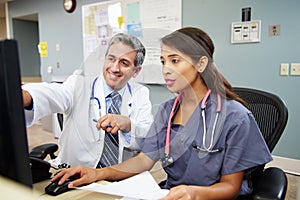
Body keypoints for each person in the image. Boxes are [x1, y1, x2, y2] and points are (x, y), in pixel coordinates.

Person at [52, 27, 272, 199]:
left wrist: (193, 193)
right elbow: (144, 161)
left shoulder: (235, 117)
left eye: (175, 61)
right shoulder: (167, 111)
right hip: (170, 194)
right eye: (163, 61)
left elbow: (231, 188)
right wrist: (97, 173)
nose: (166, 69)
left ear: (201, 63)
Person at [22, 33, 153, 168]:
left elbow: (147, 136)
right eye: (111, 59)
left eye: (124, 63)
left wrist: (128, 124)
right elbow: (52, 94)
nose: (114, 68)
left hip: (117, 176)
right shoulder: (78, 85)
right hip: (74, 173)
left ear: (136, 71)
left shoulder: (140, 93)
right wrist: (24, 96)